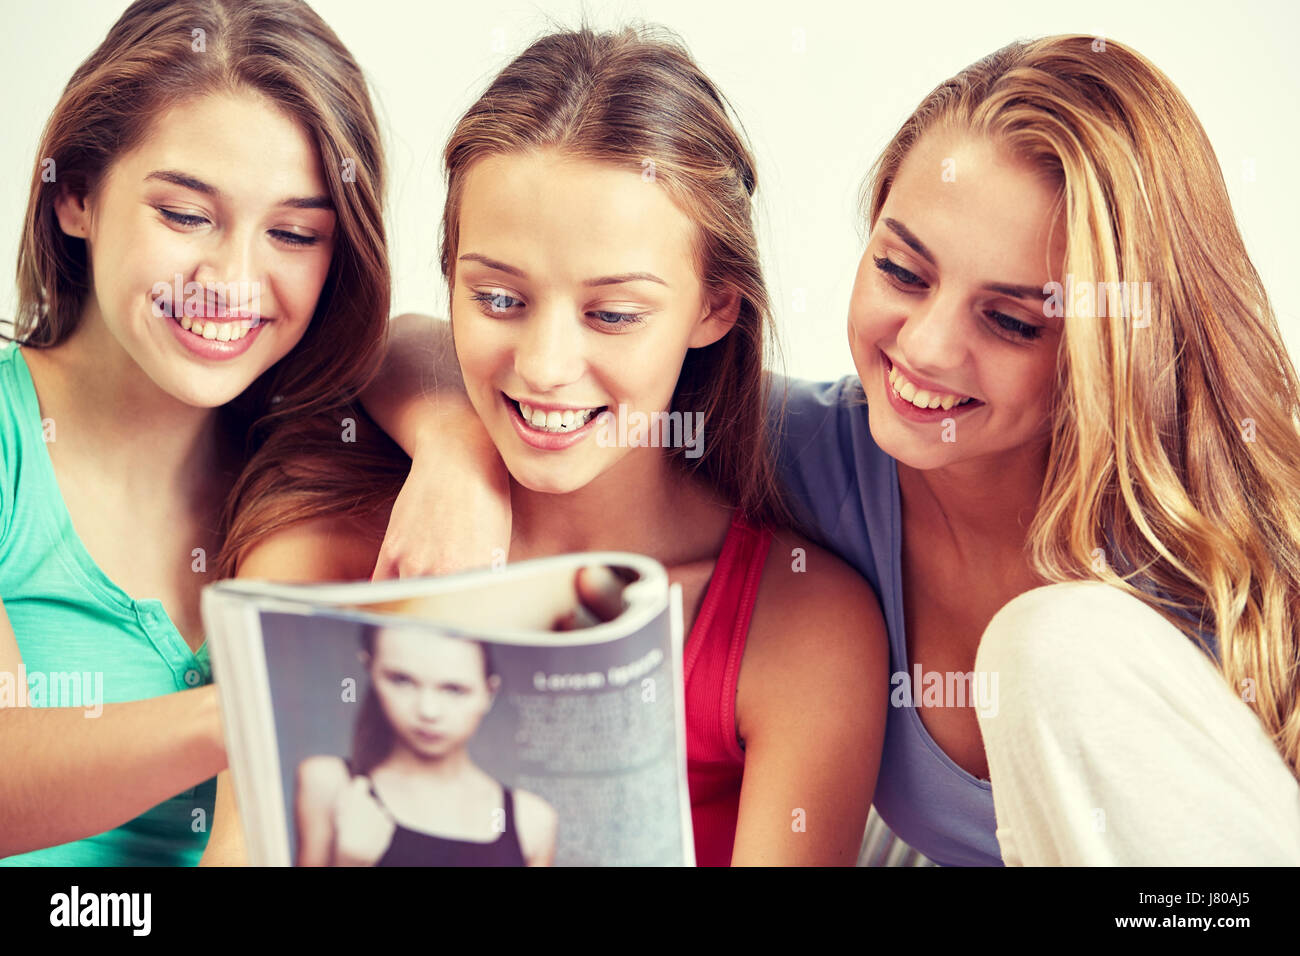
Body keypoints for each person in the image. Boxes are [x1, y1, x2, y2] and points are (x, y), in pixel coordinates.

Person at [369, 35, 1300, 865]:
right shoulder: (801, 455)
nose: (925, 348)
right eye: (901, 269)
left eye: (1012, 319)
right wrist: (456, 456)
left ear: (1116, 342)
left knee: (1051, 644)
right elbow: (415, 346)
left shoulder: (1221, 549)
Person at [209, 25, 889, 868]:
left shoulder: (803, 629)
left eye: (612, 314)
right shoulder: (333, 544)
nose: (544, 367)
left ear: (715, 307)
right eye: (497, 298)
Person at [0, 0, 390, 865]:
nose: (233, 281)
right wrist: (249, 704)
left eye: (293, 233)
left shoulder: (319, 463)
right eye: (184, 216)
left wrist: (456, 453)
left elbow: (418, 348)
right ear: (76, 196)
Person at [296, 625, 555, 866]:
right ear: (370, 669)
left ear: (489, 693)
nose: (428, 711)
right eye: (401, 680)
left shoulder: (532, 820)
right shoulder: (329, 784)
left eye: (453, 689)